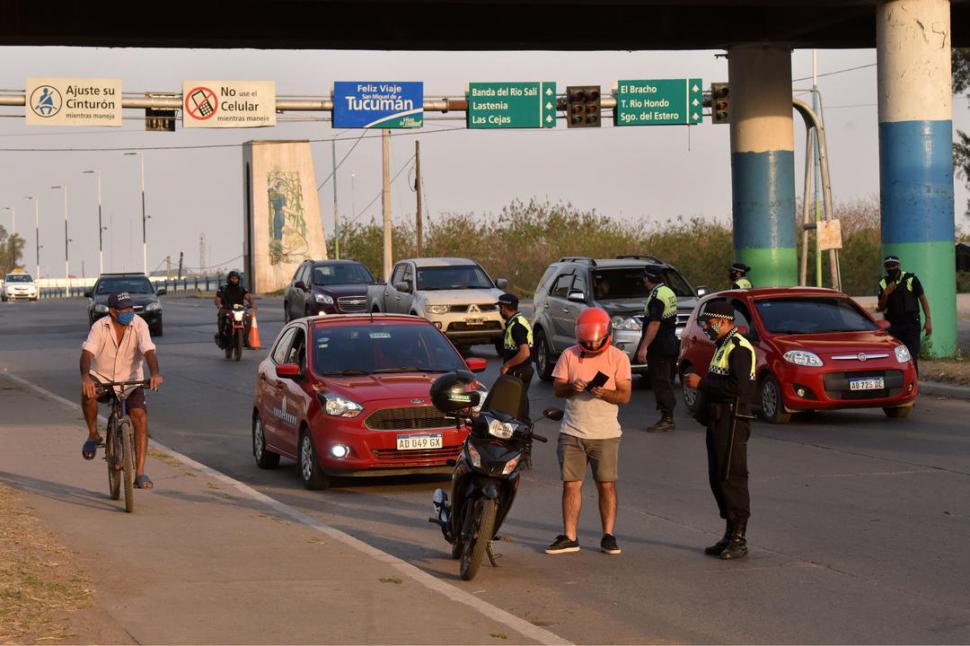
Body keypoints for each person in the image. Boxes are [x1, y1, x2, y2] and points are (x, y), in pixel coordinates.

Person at [546, 307, 632, 556]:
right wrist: (573, 387)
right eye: (585, 343)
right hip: (572, 432)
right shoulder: (569, 355)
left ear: (607, 336)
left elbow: (625, 396)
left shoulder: (618, 358)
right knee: (571, 484)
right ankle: (570, 537)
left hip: (606, 434)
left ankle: (609, 535)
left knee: (606, 484)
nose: (590, 347)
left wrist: (604, 393)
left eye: (594, 343)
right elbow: (557, 389)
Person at [683, 300, 756, 560]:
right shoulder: (722, 346)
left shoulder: (739, 348)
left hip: (733, 420)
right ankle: (728, 532)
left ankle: (739, 537)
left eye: (709, 323)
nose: (705, 328)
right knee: (716, 476)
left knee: (731, 476)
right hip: (717, 420)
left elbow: (740, 390)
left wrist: (701, 383)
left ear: (723, 321)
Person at [80, 292, 163, 489]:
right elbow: (86, 354)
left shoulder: (140, 325)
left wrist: (155, 373)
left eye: (130, 309)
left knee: (140, 417)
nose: (129, 313)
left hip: (131, 381)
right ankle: (93, 434)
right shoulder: (99, 327)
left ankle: (140, 473)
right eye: (124, 310)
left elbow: (149, 351)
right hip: (103, 378)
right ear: (112, 312)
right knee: (88, 393)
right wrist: (85, 377)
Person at [635, 266, 678, 432]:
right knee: (666, 380)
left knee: (661, 381)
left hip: (659, 345)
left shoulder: (657, 296)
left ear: (649, 278)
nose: (643, 280)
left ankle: (667, 418)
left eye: (644, 277)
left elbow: (654, 323)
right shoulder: (667, 291)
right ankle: (668, 415)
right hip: (670, 342)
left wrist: (643, 347)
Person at [877, 255, 931, 375]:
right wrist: (886, 294)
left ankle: (913, 379)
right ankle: (901, 381)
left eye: (893, 265)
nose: (891, 268)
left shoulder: (910, 279)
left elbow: (923, 299)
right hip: (893, 326)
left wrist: (928, 320)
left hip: (911, 324)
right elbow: (880, 307)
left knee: (911, 355)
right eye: (888, 266)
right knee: (896, 356)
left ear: (899, 265)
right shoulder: (883, 282)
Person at [497, 292, 534, 413]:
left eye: (499, 307)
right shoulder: (516, 322)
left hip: (519, 372)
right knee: (517, 404)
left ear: (503, 308)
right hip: (519, 371)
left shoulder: (517, 325)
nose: (499, 310)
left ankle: (523, 427)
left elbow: (525, 353)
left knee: (517, 407)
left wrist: (507, 365)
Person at [214, 270, 256, 348]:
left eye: (236, 278)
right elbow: (218, 298)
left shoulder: (241, 289)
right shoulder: (223, 288)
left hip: (240, 309)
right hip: (227, 309)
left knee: (249, 317)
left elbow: (248, 297)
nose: (234, 280)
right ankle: (221, 335)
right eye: (232, 278)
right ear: (229, 279)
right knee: (221, 314)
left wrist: (252, 304)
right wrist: (219, 304)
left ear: (238, 279)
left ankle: (245, 339)